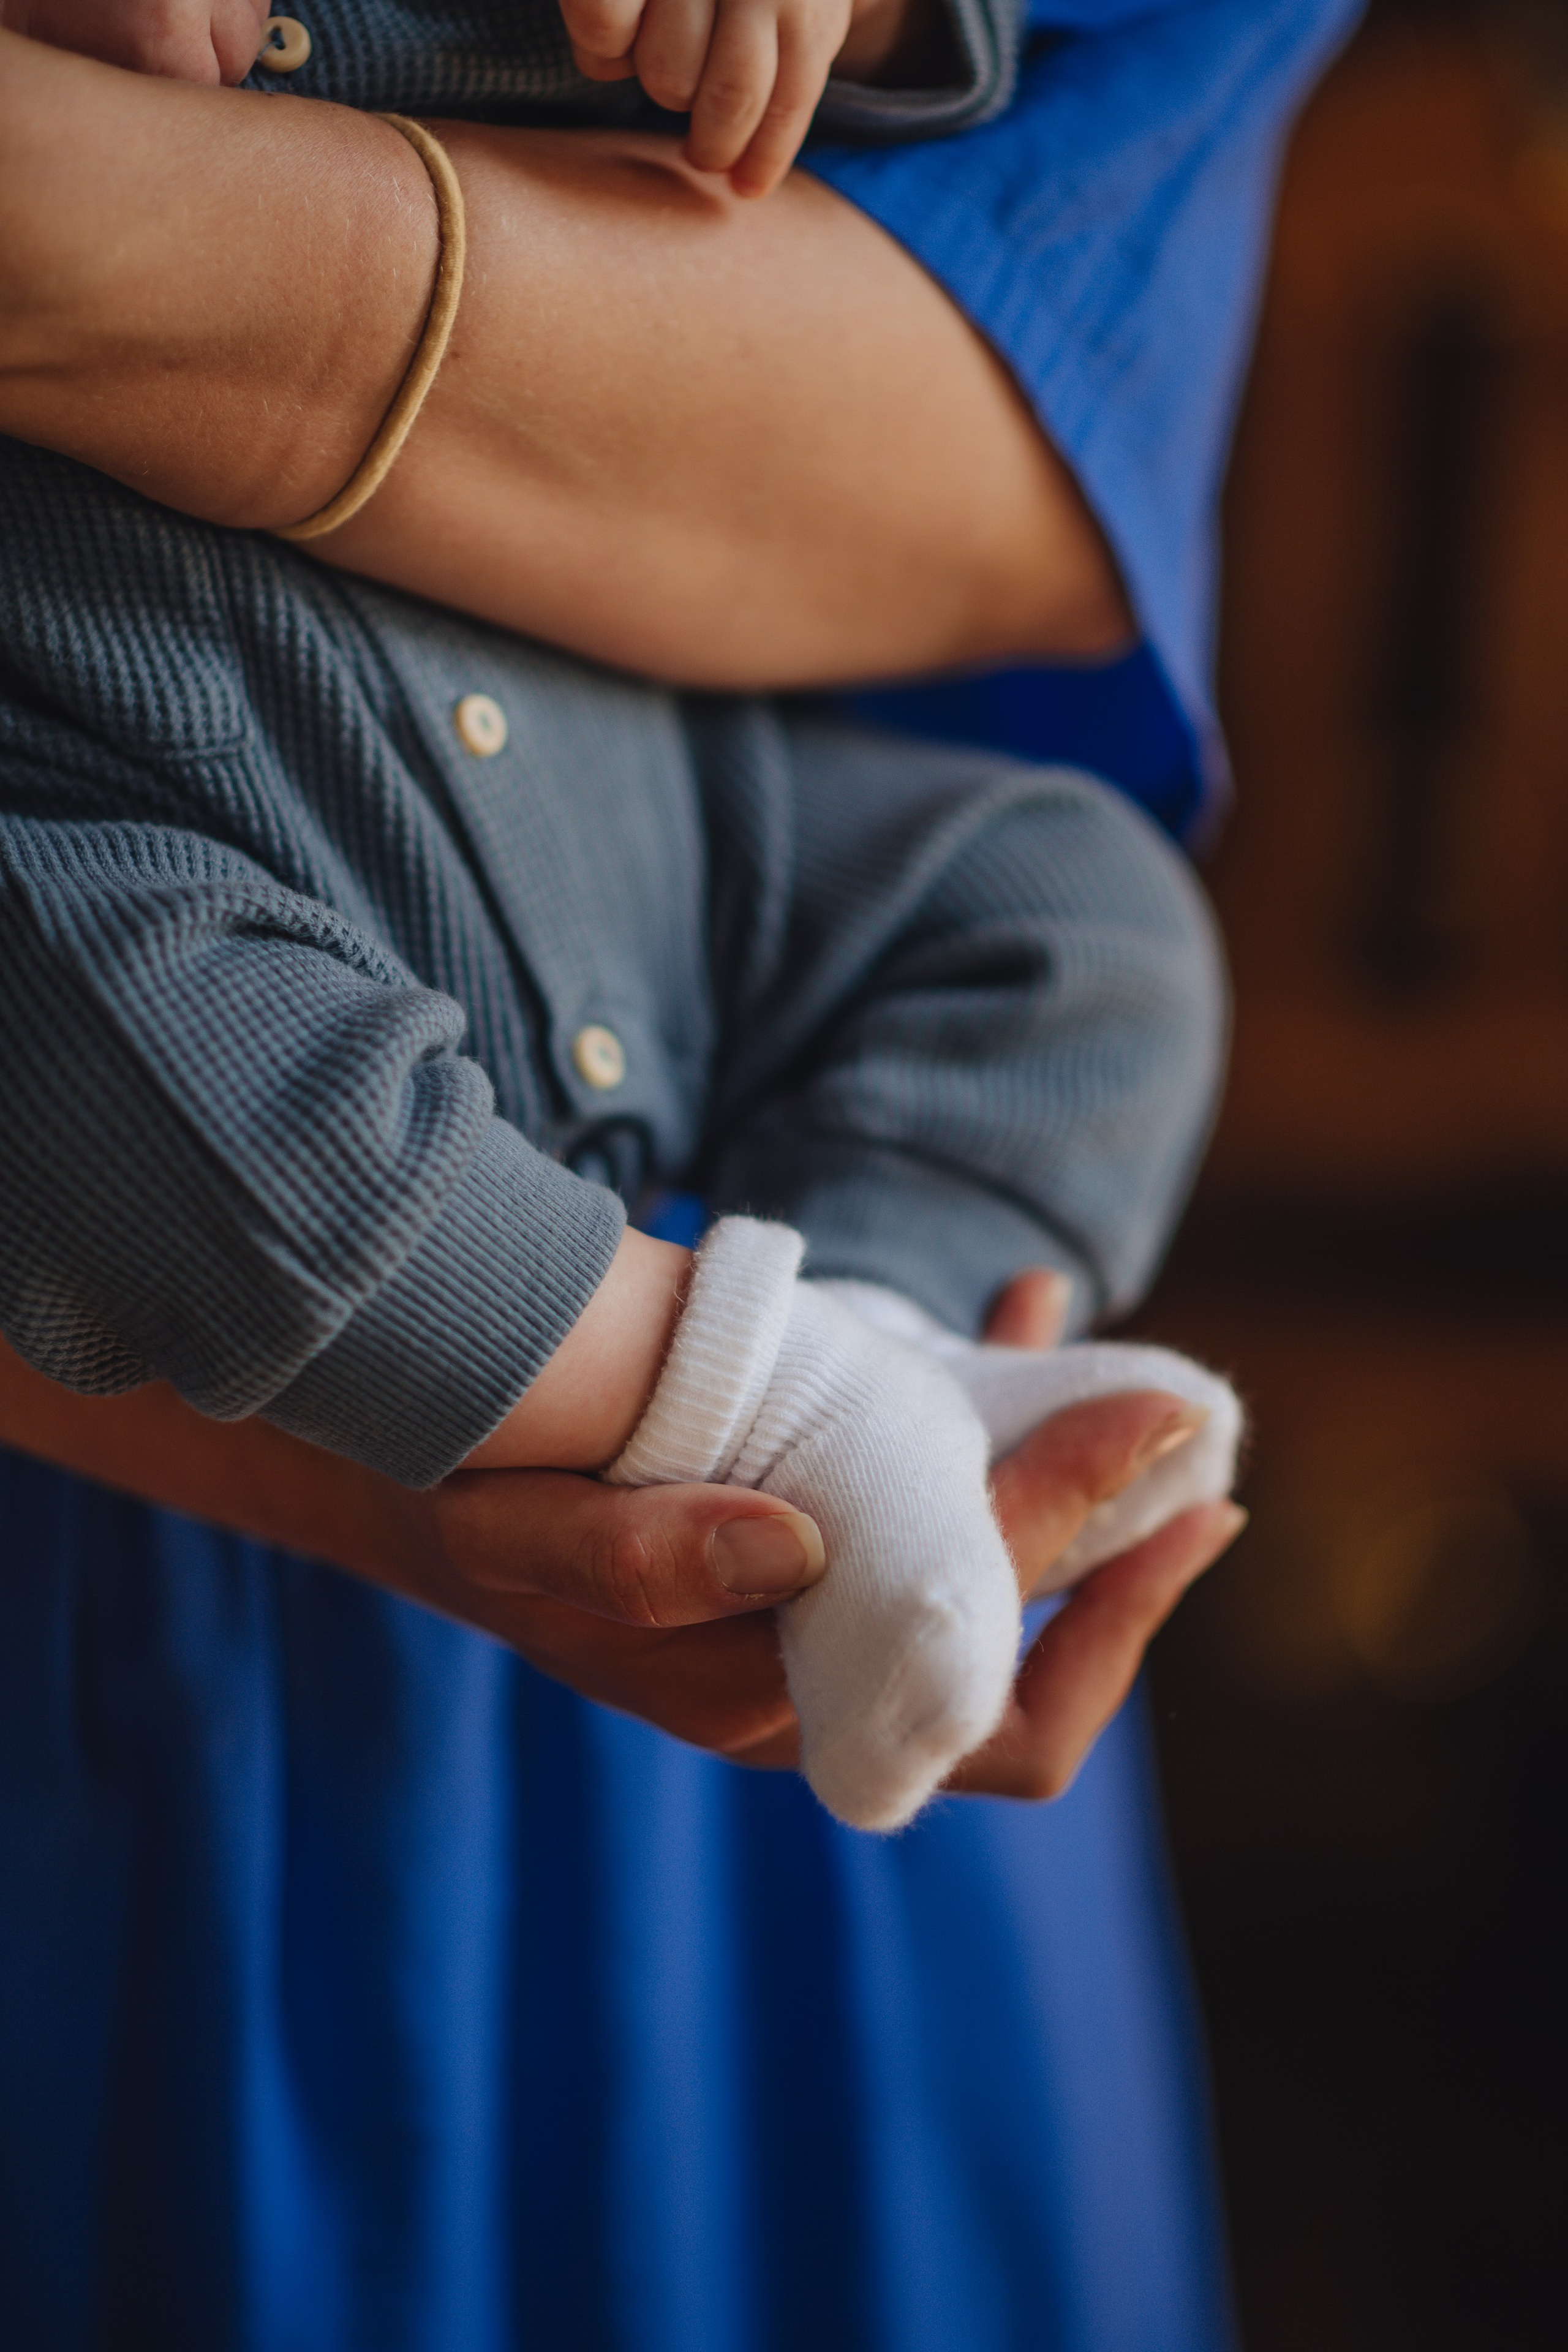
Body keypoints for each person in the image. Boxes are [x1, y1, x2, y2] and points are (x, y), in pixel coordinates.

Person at [0, 3, 1359, 2342]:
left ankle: (890, 1349)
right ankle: (750, 1402)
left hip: (701, 828)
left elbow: (1023, 319)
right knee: (141, 1063)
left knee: (1088, 926)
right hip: (143, 810)